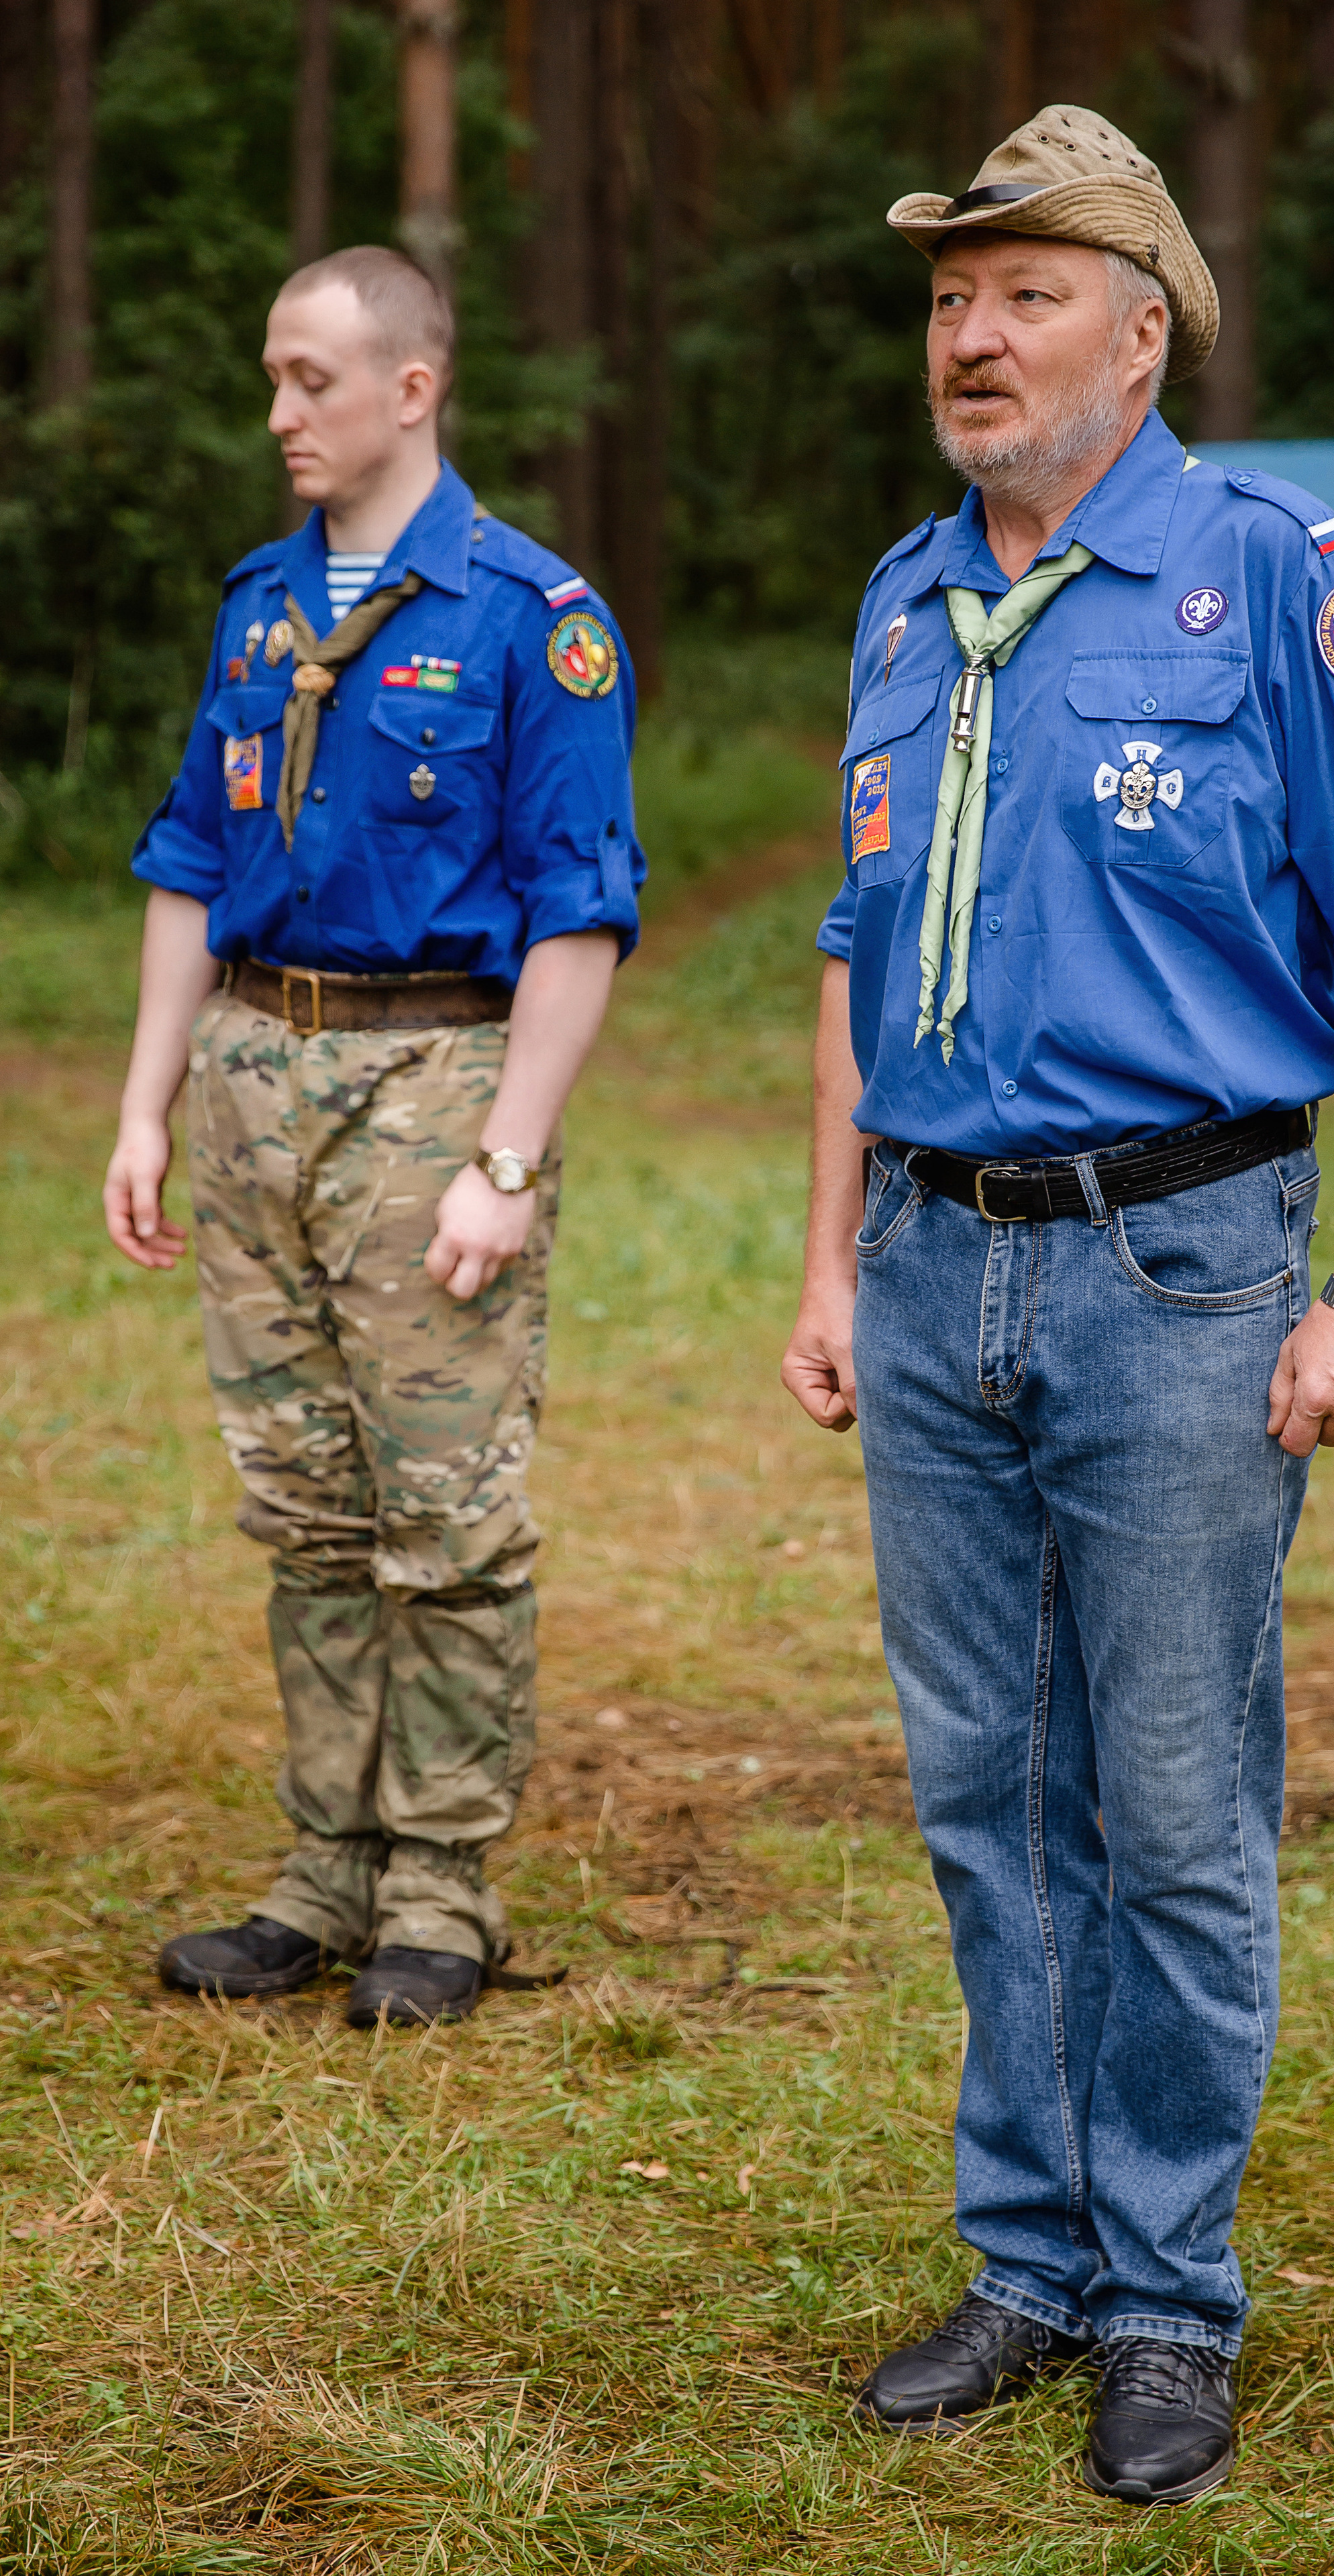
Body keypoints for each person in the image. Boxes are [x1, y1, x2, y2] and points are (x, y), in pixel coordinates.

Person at [780, 106, 1334, 2506]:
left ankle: (1166, 2295)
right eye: (947, 300)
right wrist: (824, 1257)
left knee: (1168, 1808)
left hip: (1178, 1270)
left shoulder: (1278, 578)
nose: (967, 337)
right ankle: (1030, 2258)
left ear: (1139, 324)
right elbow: (848, 964)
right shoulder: (904, 598)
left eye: (1022, 292)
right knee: (989, 1798)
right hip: (926, 1263)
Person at [103, 247, 643, 2028]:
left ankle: (441, 1887)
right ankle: (321, 1873)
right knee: (308, 1513)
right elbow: (192, 857)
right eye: (272, 378)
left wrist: (507, 1155)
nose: (281, 416)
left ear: (413, 388)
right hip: (256, 1076)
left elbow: (580, 912)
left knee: (446, 1516)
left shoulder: (532, 618)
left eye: (310, 380)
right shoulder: (262, 607)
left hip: (432, 1090)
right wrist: (146, 1107)